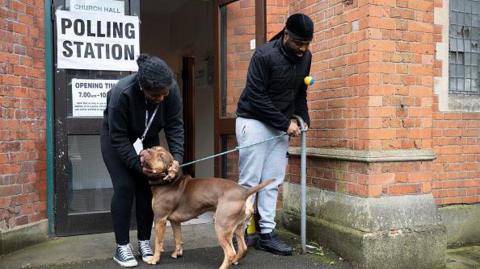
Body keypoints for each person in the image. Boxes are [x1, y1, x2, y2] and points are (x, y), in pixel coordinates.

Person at [235, 13, 313, 256]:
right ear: (286, 34)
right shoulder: (263, 55)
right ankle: (241, 233)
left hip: (281, 125)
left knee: (272, 181)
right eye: (298, 43)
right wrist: (283, 122)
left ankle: (267, 234)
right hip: (253, 120)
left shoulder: (306, 57)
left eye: (306, 44)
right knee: (250, 182)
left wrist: (302, 119)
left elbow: (300, 93)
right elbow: (256, 97)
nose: (302, 49)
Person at [100, 54, 184, 267]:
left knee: (148, 189)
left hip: (146, 138)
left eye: (165, 93)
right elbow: (117, 137)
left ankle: (144, 241)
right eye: (157, 95)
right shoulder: (122, 93)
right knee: (125, 186)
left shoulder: (170, 89)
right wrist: (138, 166)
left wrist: (177, 159)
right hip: (116, 138)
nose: (162, 98)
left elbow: (175, 125)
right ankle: (122, 246)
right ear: (142, 88)